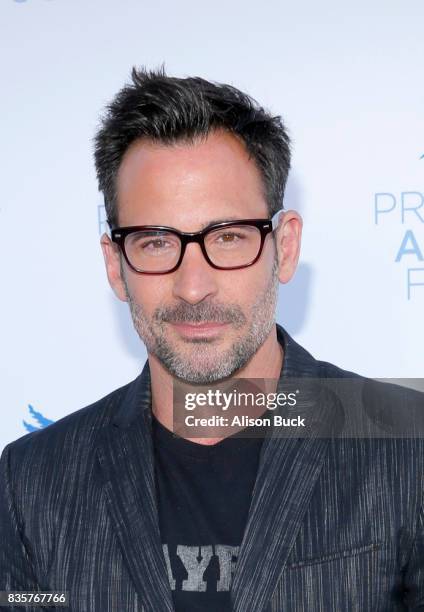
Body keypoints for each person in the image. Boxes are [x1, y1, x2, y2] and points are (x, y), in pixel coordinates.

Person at [0, 66, 423, 612]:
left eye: (227, 238)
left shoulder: (408, 450)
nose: (193, 286)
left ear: (285, 247)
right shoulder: (32, 484)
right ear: (115, 265)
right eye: (155, 242)